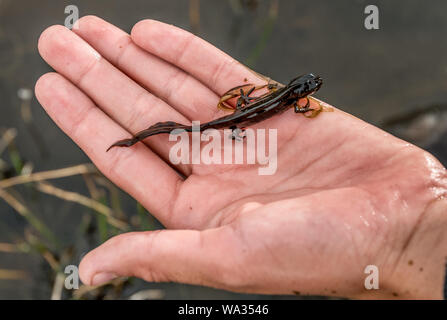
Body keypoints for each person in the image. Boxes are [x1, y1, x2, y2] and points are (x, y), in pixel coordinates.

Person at [35, 16, 447, 299]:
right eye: (311, 87)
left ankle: (147, 134)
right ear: (300, 91)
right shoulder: (291, 102)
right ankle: (142, 135)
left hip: (238, 114)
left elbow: (281, 104)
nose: (312, 89)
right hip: (234, 120)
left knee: (211, 123)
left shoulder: (285, 97)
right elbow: (293, 108)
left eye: (312, 87)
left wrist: (411, 238)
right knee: (204, 126)